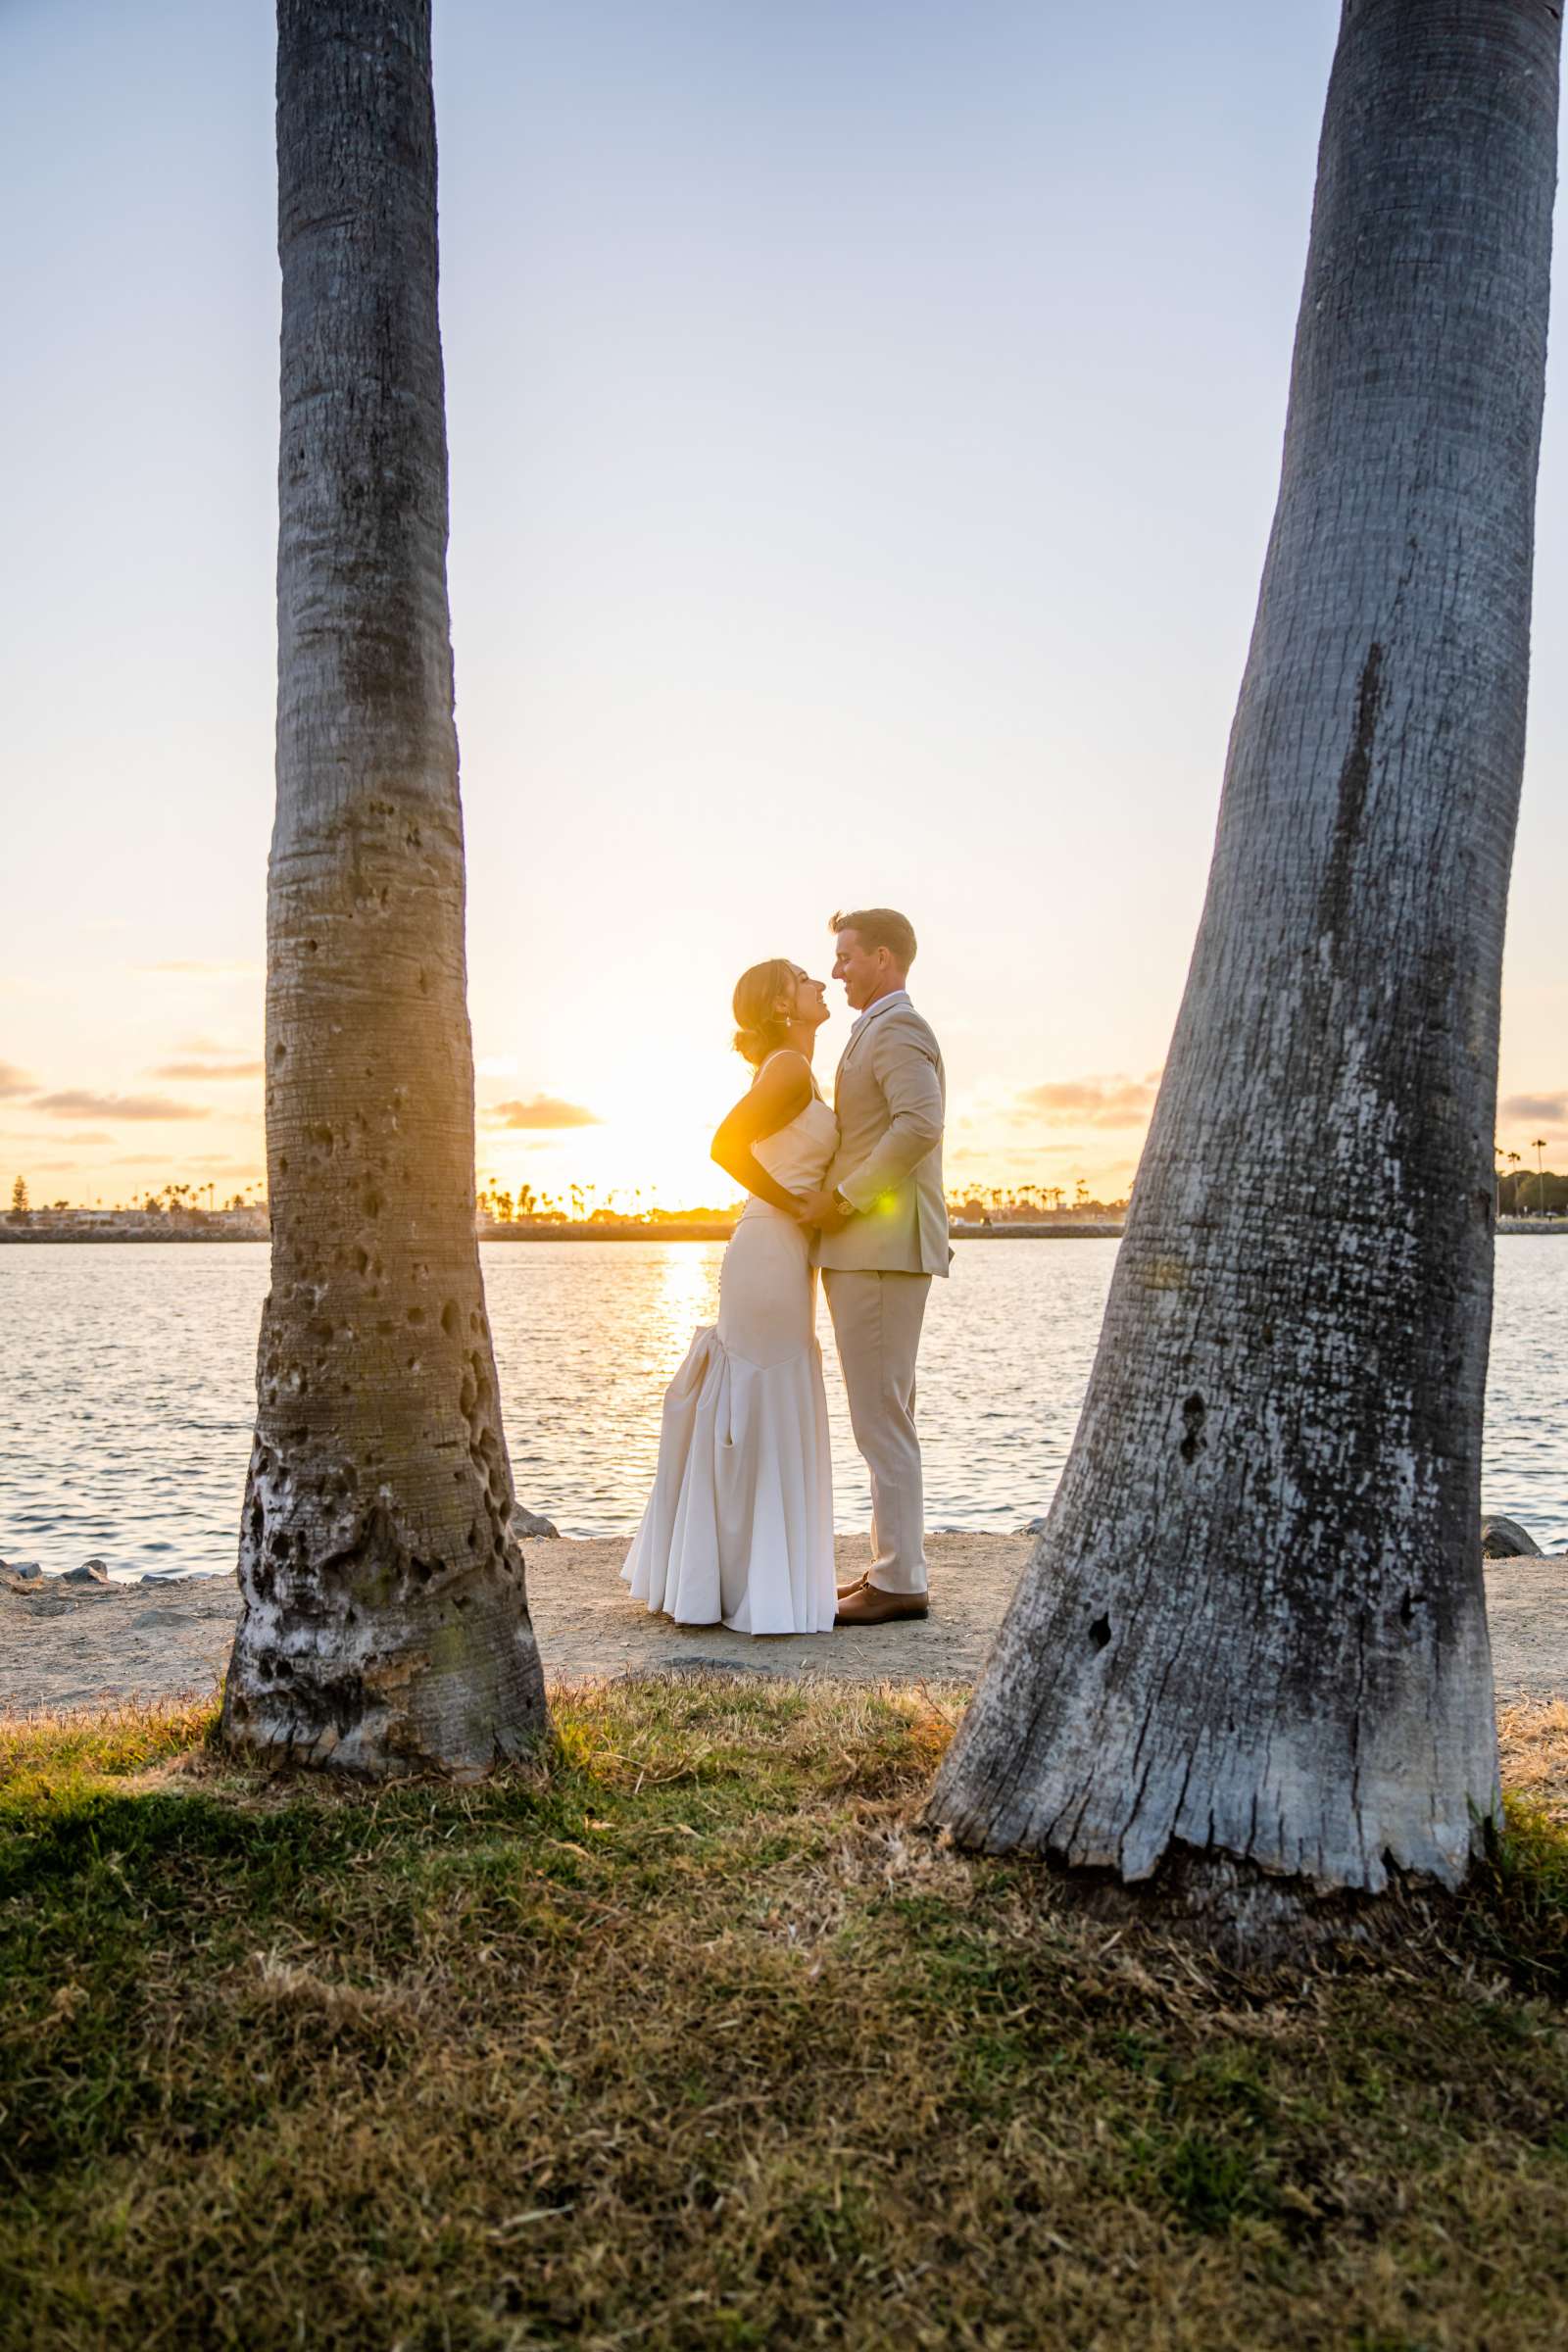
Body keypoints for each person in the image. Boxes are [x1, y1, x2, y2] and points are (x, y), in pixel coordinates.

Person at [621, 959, 839, 1634]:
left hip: (779, 1251)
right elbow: (725, 1145)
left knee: (763, 1401)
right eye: (806, 979)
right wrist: (796, 1205)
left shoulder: (792, 1068)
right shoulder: (787, 1068)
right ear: (780, 1001)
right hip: (769, 1246)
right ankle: (743, 1584)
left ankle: (739, 1578)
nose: (821, 986)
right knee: (756, 1400)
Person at [794, 907, 949, 1627]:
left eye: (847, 956)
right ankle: (893, 1566)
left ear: (883, 957)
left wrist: (848, 1199)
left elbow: (919, 1124)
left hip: (879, 1249)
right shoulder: (875, 1030)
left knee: (881, 1419)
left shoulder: (898, 1028)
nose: (836, 969)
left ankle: (899, 1580)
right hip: (871, 1252)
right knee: (885, 1416)